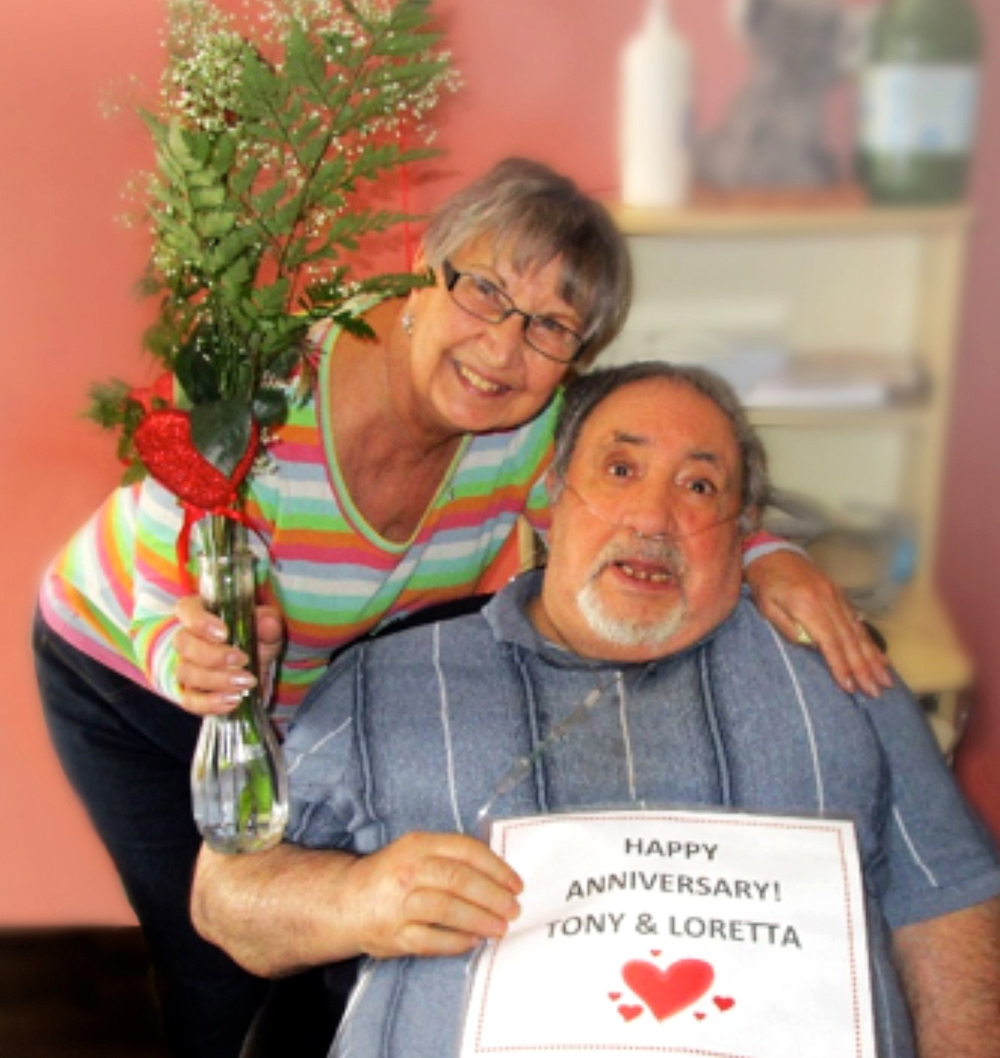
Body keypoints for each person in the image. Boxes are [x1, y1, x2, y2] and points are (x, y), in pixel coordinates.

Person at [34, 159, 888, 1058]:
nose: (502, 348)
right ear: (420, 272)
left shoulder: (526, 434)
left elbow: (648, 493)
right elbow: (165, 525)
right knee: (218, 954)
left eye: (551, 326)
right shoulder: (272, 384)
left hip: (295, 703)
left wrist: (771, 555)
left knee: (331, 943)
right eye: (483, 291)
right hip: (135, 671)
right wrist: (181, 642)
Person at [192, 361, 1000, 1058]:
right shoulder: (385, 681)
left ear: (742, 529)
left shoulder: (837, 670)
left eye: (699, 486)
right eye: (620, 470)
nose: (653, 519)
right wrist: (357, 899)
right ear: (551, 498)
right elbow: (225, 898)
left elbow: (951, 904)